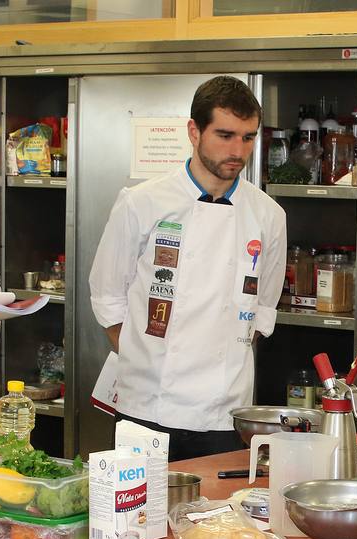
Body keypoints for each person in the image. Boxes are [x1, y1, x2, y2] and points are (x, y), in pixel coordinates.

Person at [89, 75, 286, 461]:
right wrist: (146, 361)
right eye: (225, 135)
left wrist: (226, 359)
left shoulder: (268, 216)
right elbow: (108, 297)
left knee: (216, 520)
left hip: (223, 413)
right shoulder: (141, 202)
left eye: (248, 137)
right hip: (147, 407)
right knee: (136, 517)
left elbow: (262, 310)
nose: (238, 150)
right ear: (194, 131)